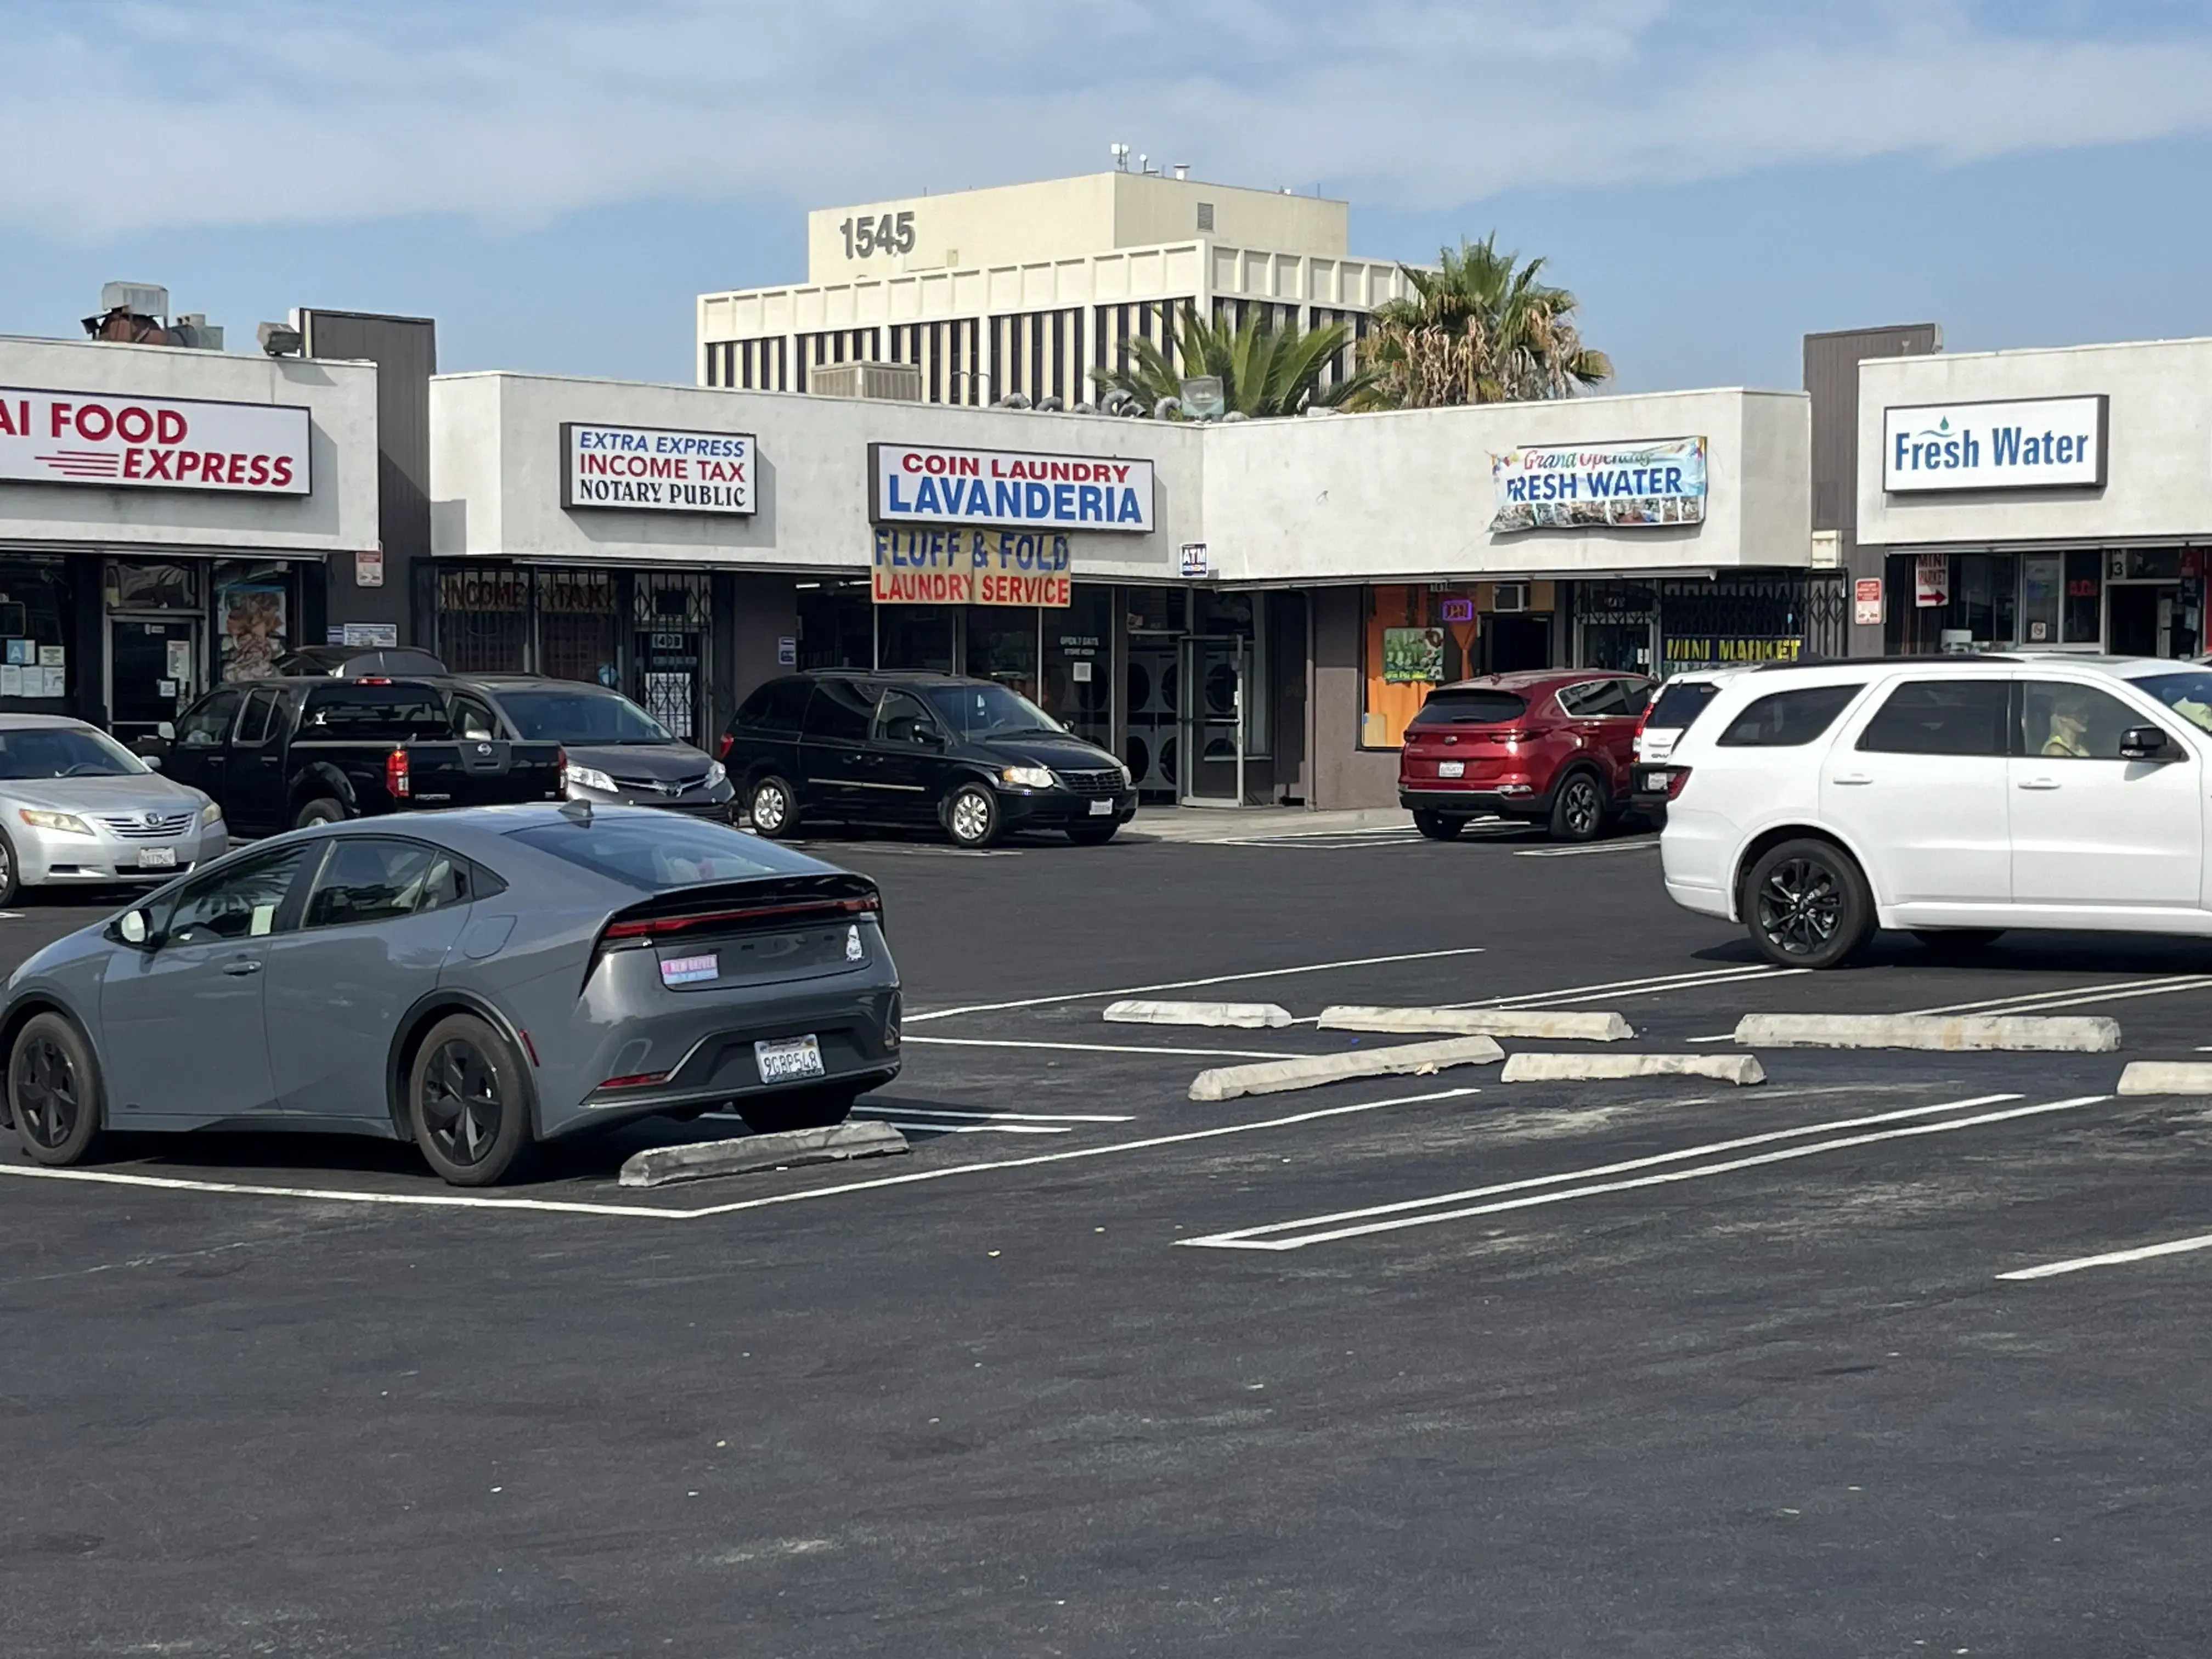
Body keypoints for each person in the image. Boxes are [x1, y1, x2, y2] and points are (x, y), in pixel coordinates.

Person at [2042, 692, 2094, 758]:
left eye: (2087, 713)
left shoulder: (2080, 747)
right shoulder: (2056, 751)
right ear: (2063, 717)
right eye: (2080, 713)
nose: (2086, 717)